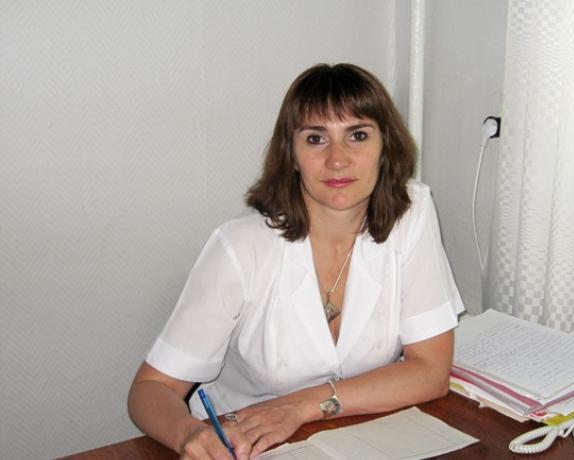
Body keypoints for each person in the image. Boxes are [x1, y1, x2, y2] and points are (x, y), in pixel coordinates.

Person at [128, 63, 465, 460]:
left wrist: (301, 406)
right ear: (291, 154)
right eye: (316, 138)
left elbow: (430, 371)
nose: (338, 159)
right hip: (247, 443)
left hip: (361, 432)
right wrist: (189, 435)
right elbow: (150, 390)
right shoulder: (241, 246)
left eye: (357, 135)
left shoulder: (412, 213)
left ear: (385, 147)